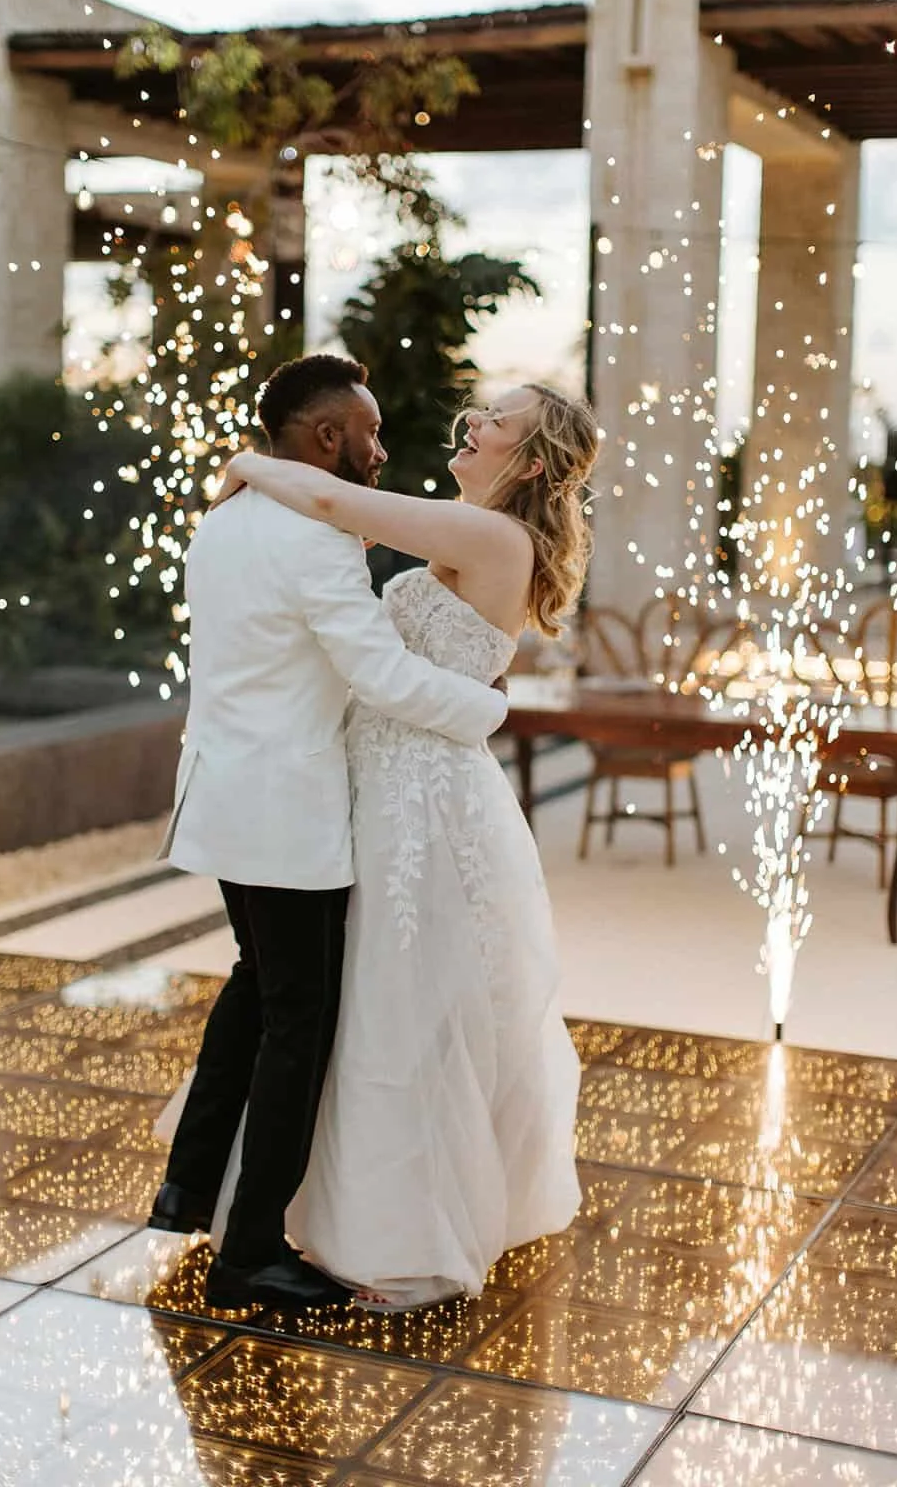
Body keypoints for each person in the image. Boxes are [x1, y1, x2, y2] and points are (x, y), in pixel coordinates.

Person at [201, 378, 598, 1309]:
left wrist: (246, 461)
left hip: (416, 795)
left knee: (397, 1005)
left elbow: (335, 502)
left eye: (489, 424)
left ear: (529, 461)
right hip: (383, 783)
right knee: (366, 1002)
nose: (467, 428)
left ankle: (397, 1229)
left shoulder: (490, 536)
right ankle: (317, 1210)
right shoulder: (471, 531)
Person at [148, 354, 510, 1311]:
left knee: (258, 986)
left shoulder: (223, 518)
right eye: (370, 431)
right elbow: (379, 676)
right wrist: (485, 710)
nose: (381, 449)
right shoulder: (314, 539)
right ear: (323, 439)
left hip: (220, 796)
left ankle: (188, 1187)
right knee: (297, 1024)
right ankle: (250, 1251)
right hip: (285, 811)